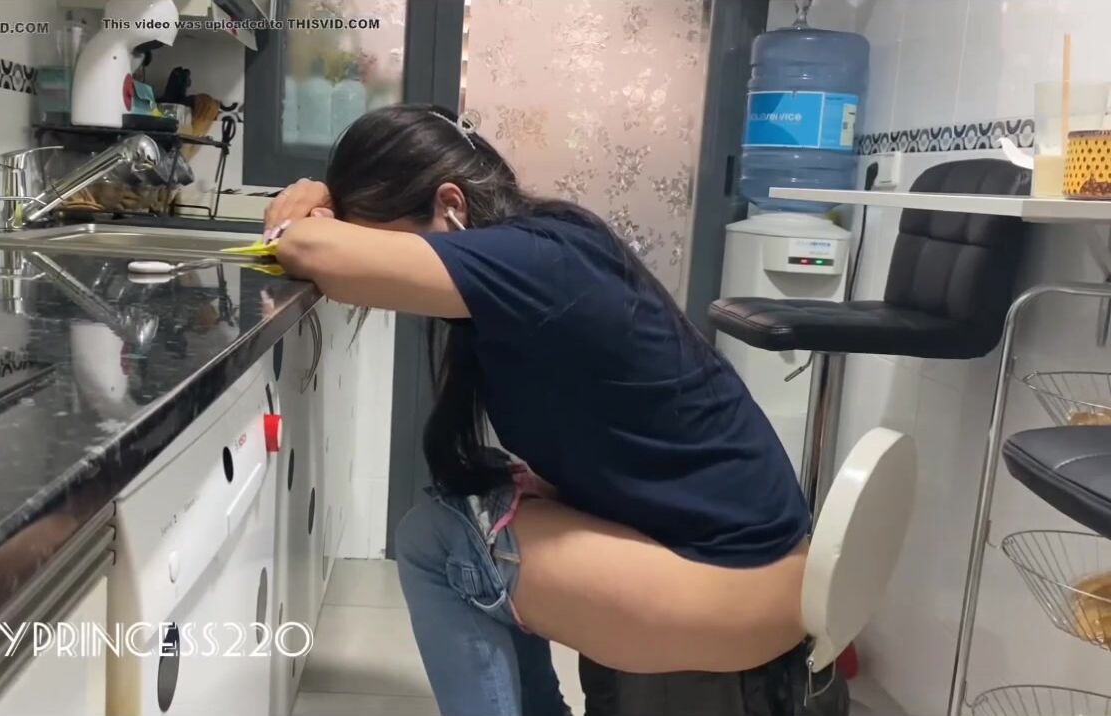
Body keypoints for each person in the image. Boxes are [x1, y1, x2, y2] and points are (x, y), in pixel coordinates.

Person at [265, 104, 836, 716]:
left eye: (378, 239)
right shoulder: (538, 257)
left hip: (745, 586)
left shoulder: (532, 260)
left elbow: (311, 249)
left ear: (451, 205)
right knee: (485, 505)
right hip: (752, 569)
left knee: (436, 542)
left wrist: (307, 202)